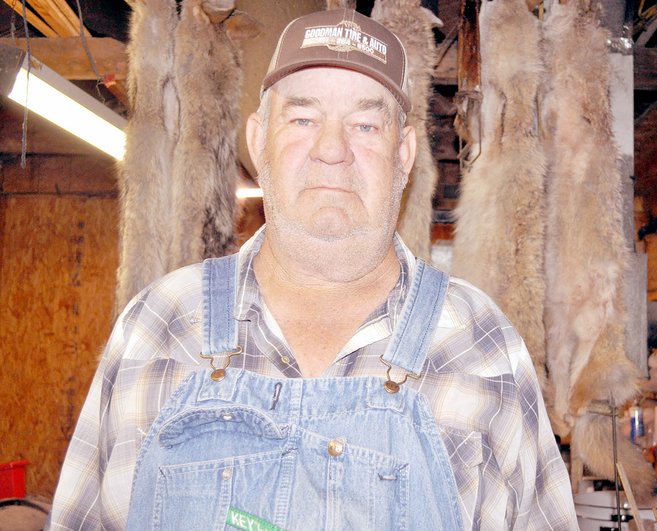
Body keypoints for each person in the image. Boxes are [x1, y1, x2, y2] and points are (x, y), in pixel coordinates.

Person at [47, 8, 578, 530]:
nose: (332, 150)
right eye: (303, 118)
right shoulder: (159, 326)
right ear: (258, 141)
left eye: (366, 125)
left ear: (405, 153)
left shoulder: (478, 344)